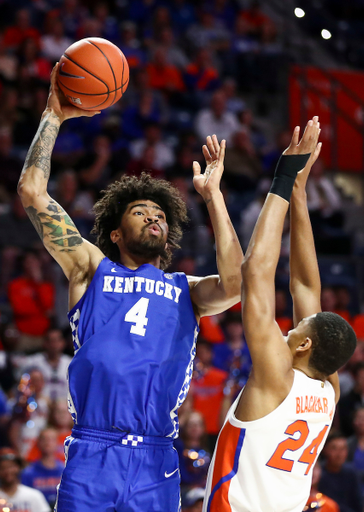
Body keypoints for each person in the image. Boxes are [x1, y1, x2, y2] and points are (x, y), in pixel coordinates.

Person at [17, 64, 243, 512]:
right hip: (92, 450)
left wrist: (213, 195)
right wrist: (54, 116)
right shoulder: (90, 268)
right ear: (116, 233)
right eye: (140, 211)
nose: (153, 216)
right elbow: (32, 191)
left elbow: (236, 285)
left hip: (157, 456)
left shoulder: (187, 290)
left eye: (159, 213)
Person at [203, 117, 357, 512]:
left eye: (295, 329)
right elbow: (306, 288)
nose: (287, 330)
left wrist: (285, 178)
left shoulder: (277, 377)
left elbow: (255, 272)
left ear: (304, 344)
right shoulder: (329, 391)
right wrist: (301, 195)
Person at [21, 428, 64, 509]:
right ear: (38, 443)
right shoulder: (27, 473)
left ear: (57, 443)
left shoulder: (65, 471)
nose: (48, 443)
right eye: (44, 439)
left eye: (52, 439)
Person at [0, 448, 50, 512]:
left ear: (19, 467)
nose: (8, 471)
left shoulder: (34, 495)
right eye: (2, 468)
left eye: (11, 466)